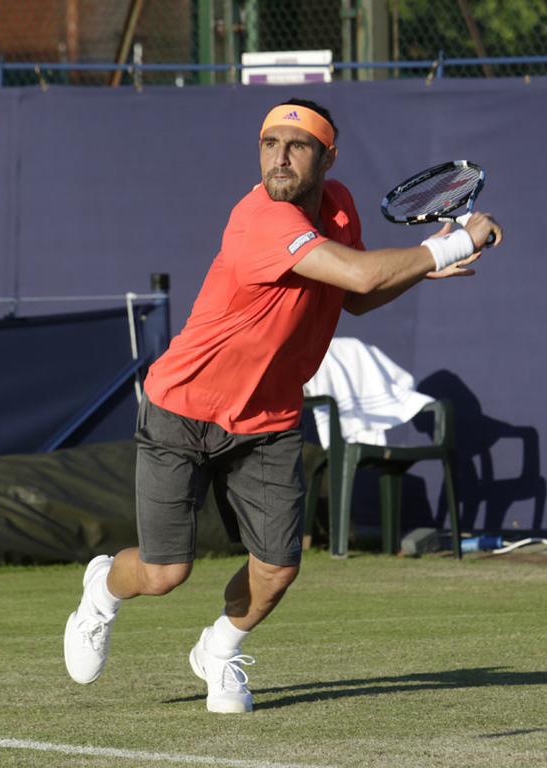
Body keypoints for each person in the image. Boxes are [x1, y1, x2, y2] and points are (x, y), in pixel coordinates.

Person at [64, 98, 502, 713]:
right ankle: (101, 592)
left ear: (328, 157)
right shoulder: (260, 218)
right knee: (165, 574)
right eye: (269, 144)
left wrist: (416, 268)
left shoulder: (339, 205)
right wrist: (451, 247)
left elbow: (355, 297)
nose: (280, 157)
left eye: (297, 146)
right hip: (183, 410)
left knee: (277, 568)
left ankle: (218, 650)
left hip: (268, 421)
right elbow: (362, 276)